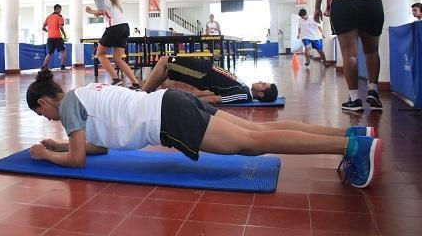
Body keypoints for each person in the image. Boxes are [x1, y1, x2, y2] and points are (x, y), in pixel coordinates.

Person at [26, 69, 381, 188]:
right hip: (171, 103)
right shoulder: (84, 92)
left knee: (253, 143)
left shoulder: (70, 107)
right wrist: (61, 147)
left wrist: (45, 154)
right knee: (252, 135)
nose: (49, 121)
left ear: (44, 103)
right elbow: (99, 147)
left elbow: (78, 163)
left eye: (43, 115)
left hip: (168, 116)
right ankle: (350, 136)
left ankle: (351, 150)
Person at [142, 56, 278, 104]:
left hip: (202, 72)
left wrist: (190, 101)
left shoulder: (244, 94)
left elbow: (216, 99)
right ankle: (145, 94)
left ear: (260, 94)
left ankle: (140, 95)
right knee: (169, 69)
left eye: (263, 84)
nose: (261, 81)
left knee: (164, 60)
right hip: (204, 68)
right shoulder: (245, 89)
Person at [84, 0, 140, 89]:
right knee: (117, 58)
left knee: (99, 54)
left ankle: (116, 79)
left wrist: (90, 11)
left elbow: (101, 11)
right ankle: (135, 83)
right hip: (124, 27)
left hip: (114, 27)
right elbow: (106, 12)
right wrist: (99, 13)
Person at [42, 4, 67, 70]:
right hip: (57, 37)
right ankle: (62, 66)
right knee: (63, 51)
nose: (61, 10)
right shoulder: (59, 16)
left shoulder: (49, 17)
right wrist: (64, 34)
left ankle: (43, 67)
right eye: (60, 9)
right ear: (58, 9)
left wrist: (49, 32)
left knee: (50, 53)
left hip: (50, 38)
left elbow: (43, 28)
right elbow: (61, 27)